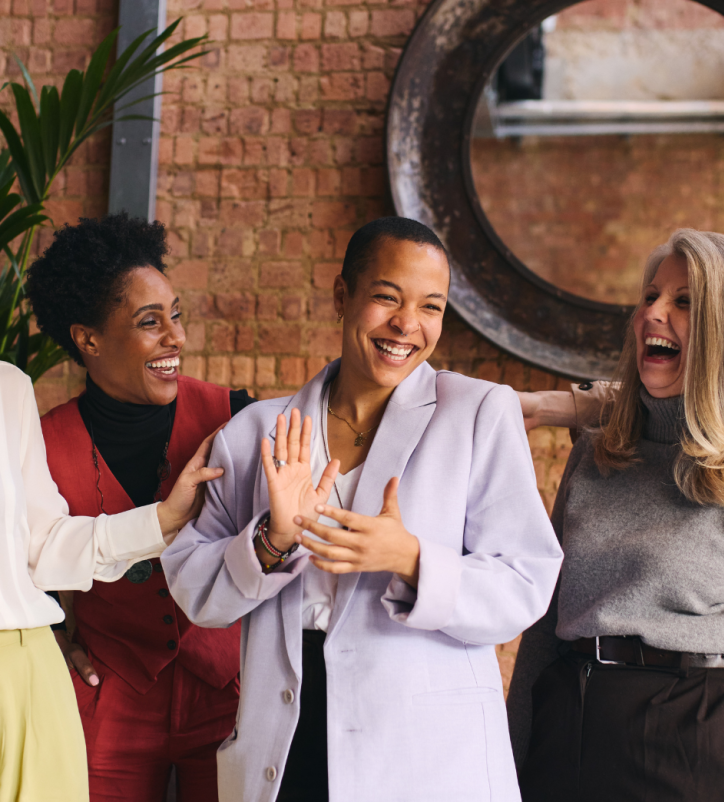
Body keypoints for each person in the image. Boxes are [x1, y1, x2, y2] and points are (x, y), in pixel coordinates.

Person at [163, 216, 563, 802]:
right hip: (286, 736)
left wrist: (412, 559)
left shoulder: (478, 413)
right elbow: (196, 592)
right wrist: (272, 541)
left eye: (431, 306)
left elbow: (525, 582)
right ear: (342, 296)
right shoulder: (255, 433)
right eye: (386, 298)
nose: (408, 325)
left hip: (425, 751)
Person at [507, 228, 724, 802]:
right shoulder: (596, 450)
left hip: (692, 744)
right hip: (565, 734)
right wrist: (504, 765)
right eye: (650, 296)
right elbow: (544, 631)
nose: (654, 311)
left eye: (684, 302)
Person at [25, 213, 255, 802]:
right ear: (89, 339)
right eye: (150, 322)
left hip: (228, 689)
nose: (175, 337)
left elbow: (346, 419)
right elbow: (21, 569)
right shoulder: (42, 444)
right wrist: (53, 642)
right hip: (112, 693)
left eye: (174, 315)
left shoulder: (233, 415)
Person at [0, 361, 220, 802]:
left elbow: (43, 544)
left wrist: (162, 520)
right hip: (79, 678)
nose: (173, 336)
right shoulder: (55, 426)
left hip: (20, 665)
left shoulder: (7, 386)